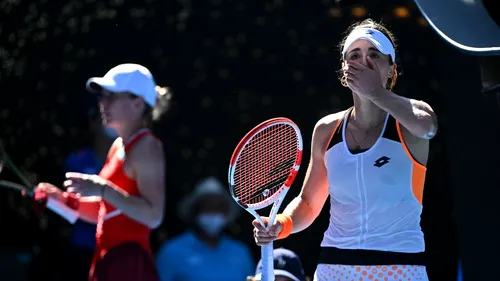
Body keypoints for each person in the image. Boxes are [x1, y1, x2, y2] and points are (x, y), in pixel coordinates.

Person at [252, 19, 438, 281]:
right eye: (355, 55)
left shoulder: (412, 119)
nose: (364, 61)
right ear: (344, 69)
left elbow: (427, 128)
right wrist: (280, 225)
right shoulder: (326, 129)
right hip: (335, 268)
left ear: (391, 69)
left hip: (401, 267)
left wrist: (376, 93)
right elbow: (308, 203)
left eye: (374, 55)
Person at [34, 63, 171, 281]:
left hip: (128, 264)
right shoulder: (117, 145)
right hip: (107, 260)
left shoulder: (147, 146)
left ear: (137, 103)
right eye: (102, 96)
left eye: (112, 97)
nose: (102, 103)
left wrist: (102, 189)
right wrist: (60, 200)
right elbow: (105, 210)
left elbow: (154, 216)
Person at [155, 176, 254, 281]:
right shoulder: (171, 251)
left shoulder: (240, 252)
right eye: (207, 207)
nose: (213, 212)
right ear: (195, 211)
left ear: (226, 213)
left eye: (218, 208)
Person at [61, 108, 115, 281]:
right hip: (83, 248)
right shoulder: (77, 160)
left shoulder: (128, 162)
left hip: (116, 249)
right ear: (93, 124)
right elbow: (74, 204)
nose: (109, 124)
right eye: (103, 119)